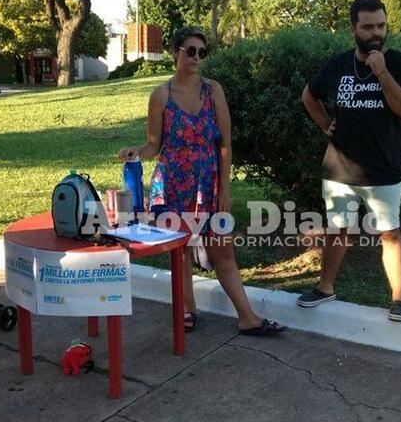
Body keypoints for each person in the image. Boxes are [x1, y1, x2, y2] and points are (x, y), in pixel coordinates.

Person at [119, 26, 286, 336]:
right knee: (179, 251)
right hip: (171, 183)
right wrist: (136, 151)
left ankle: (247, 317)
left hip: (207, 184)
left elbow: (225, 144)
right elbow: (154, 145)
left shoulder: (213, 91)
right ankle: (186, 310)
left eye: (202, 52)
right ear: (175, 53)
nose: (196, 57)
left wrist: (225, 189)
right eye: (190, 51)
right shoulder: (161, 95)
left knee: (222, 250)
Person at [297, 0, 401, 322]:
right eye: (368, 27)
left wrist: (382, 74)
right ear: (354, 28)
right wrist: (325, 123)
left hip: (383, 169)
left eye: (381, 25)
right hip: (339, 167)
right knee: (337, 229)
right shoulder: (338, 65)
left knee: (390, 234)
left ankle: (398, 298)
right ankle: (325, 287)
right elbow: (308, 95)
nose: (376, 32)